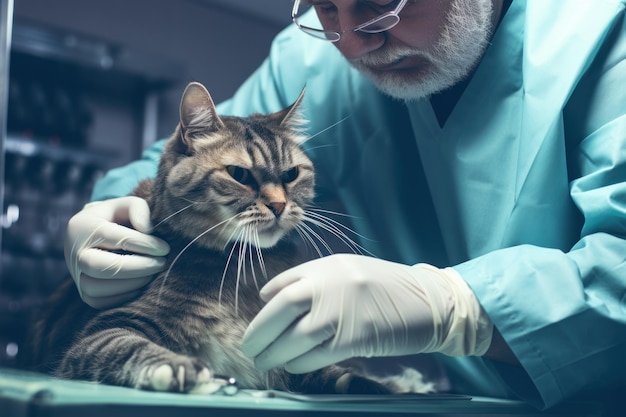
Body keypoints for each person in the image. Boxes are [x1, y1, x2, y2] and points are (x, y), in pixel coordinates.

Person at [63, 0, 626, 411]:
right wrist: (113, 217)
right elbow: (189, 158)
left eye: (382, 2)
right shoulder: (319, 57)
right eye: (326, 8)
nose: (354, 41)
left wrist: (459, 306)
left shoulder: (605, 32)